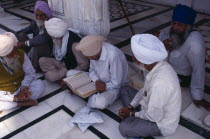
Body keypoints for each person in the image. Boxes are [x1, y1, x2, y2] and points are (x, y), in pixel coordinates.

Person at [118, 34, 181, 138]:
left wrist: (131, 114)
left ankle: (133, 121)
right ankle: (135, 120)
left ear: (146, 62)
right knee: (125, 89)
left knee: (123, 128)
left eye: (135, 58)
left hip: (160, 123)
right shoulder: (157, 65)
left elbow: (154, 116)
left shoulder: (160, 84)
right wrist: (130, 106)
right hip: (150, 106)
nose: (133, 59)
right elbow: (144, 91)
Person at [156, 4, 209, 110]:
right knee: (154, 38)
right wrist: (163, 43)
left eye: (179, 25)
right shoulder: (180, 32)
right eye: (174, 23)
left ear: (189, 26)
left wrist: (197, 96)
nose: (175, 27)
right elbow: (170, 38)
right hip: (170, 67)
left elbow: (198, 70)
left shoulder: (195, 44)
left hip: (181, 78)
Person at [67, 35, 128, 109]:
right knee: (70, 74)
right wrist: (97, 81)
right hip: (97, 81)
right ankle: (90, 94)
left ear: (97, 52)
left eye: (90, 56)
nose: (89, 59)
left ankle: (89, 95)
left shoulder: (113, 56)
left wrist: (104, 86)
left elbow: (116, 83)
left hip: (113, 87)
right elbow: (92, 70)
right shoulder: (93, 52)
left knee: (99, 102)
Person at [0, 32, 45, 112]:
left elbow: (30, 73)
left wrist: (25, 87)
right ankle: (21, 103)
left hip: (21, 86)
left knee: (40, 85)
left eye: (16, 50)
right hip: (5, 93)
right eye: (12, 54)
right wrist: (14, 98)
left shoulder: (21, 53)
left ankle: (13, 103)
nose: (16, 55)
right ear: (2, 56)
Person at [39, 18, 89, 82]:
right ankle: (58, 75)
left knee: (50, 76)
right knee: (42, 60)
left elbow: (84, 65)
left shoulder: (74, 44)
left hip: (71, 68)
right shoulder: (55, 38)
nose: (52, 38)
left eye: (53, 36)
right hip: (62, 62)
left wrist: (69, 75)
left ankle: (59, 76)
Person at [15, 0, 53, 71]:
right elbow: (25, 30)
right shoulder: (35, 23)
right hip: (34, 48)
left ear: (47, 14)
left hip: (46, 52)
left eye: (41, 15)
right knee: (21, 35)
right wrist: (12, 37)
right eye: (37, 15)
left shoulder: (51, 24)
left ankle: (33, 67)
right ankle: (26, 59)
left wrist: (23, 43)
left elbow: (42, 38)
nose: (39, 18)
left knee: (37, 45)